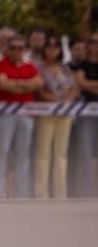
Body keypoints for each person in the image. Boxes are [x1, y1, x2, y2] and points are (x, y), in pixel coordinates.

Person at [0, 35, 41, 198]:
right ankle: (0, 193)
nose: (16, 51)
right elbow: (2, 84)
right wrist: (25, 84)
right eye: (13, 47)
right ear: (8, 49)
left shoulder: (30, 66)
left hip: (26, 115)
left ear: (25, 50)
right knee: (2, 152)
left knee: (23, 154)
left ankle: (22, 193)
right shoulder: (0, 64)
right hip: (6, 114)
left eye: (20, 48)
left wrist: (15, 84)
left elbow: (38, 84)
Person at [31, 37, 77, 199]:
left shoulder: (65, 68)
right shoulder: (38, 68)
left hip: (65, 114)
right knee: (43, 154)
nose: (52, 49)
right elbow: (38, 90)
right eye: (48, 46)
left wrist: (67, 102)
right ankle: (41, 194)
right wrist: (54, 101)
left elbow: (73, 88)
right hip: (47, 113)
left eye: (55, 46)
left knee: (61, 155)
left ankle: (60, 194)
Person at [75, 32, 98, 198]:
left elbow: (85, 84)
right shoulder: (82, 64)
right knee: (85, 152)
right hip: (85, 114)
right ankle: (87, 192)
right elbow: (80, 83)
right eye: (93, 42)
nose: (95, 45)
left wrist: (89, 85)